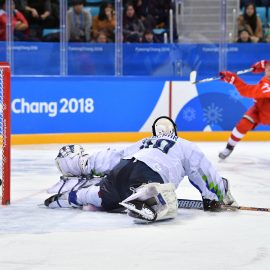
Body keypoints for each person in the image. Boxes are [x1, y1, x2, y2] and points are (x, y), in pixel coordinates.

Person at [45, 116, 236, 222]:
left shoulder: (144, 142)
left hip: (121, 170)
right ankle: (148, 197)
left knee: (106, 196)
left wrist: (82, 163)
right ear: (174, 131)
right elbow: (204, 172)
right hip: (148, 173)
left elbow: (113, 157)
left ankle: (73, 196)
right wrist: (216, 197)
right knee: (155, 194)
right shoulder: (185, 145)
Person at [219, 60, 270, 159]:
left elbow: (247, 91)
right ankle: (229, 147)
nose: (268, 72)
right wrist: (265, 63)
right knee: (243, 124)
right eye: (268, 69)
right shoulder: (265, 82)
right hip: (259, 110)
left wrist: (235, 80)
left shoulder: (265, 87)